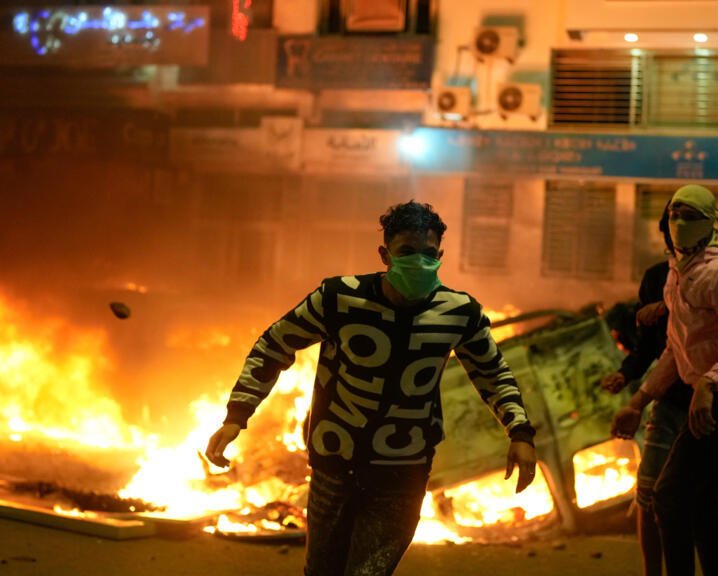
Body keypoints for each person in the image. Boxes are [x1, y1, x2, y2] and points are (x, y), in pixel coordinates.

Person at [205, 200, 538, 576]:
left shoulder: (459, 312)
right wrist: (236, 417)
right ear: (385, 254)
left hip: (403, 475)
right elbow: (274, 345)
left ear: (441, 255)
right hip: (333, 467)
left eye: (429, 254)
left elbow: (491, 372)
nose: (419, 262)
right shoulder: (338, 298)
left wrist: (520, 432)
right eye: (407, 252)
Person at [612, 184, 718, 576]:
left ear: (711, 224)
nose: (679, 222)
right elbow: (674, 350)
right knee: (702, 502)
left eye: (690, 215)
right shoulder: (676, 274)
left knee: (667, 497)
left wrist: (708, 382)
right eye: (674, 214)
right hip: (710, 399)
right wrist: (638, 401)